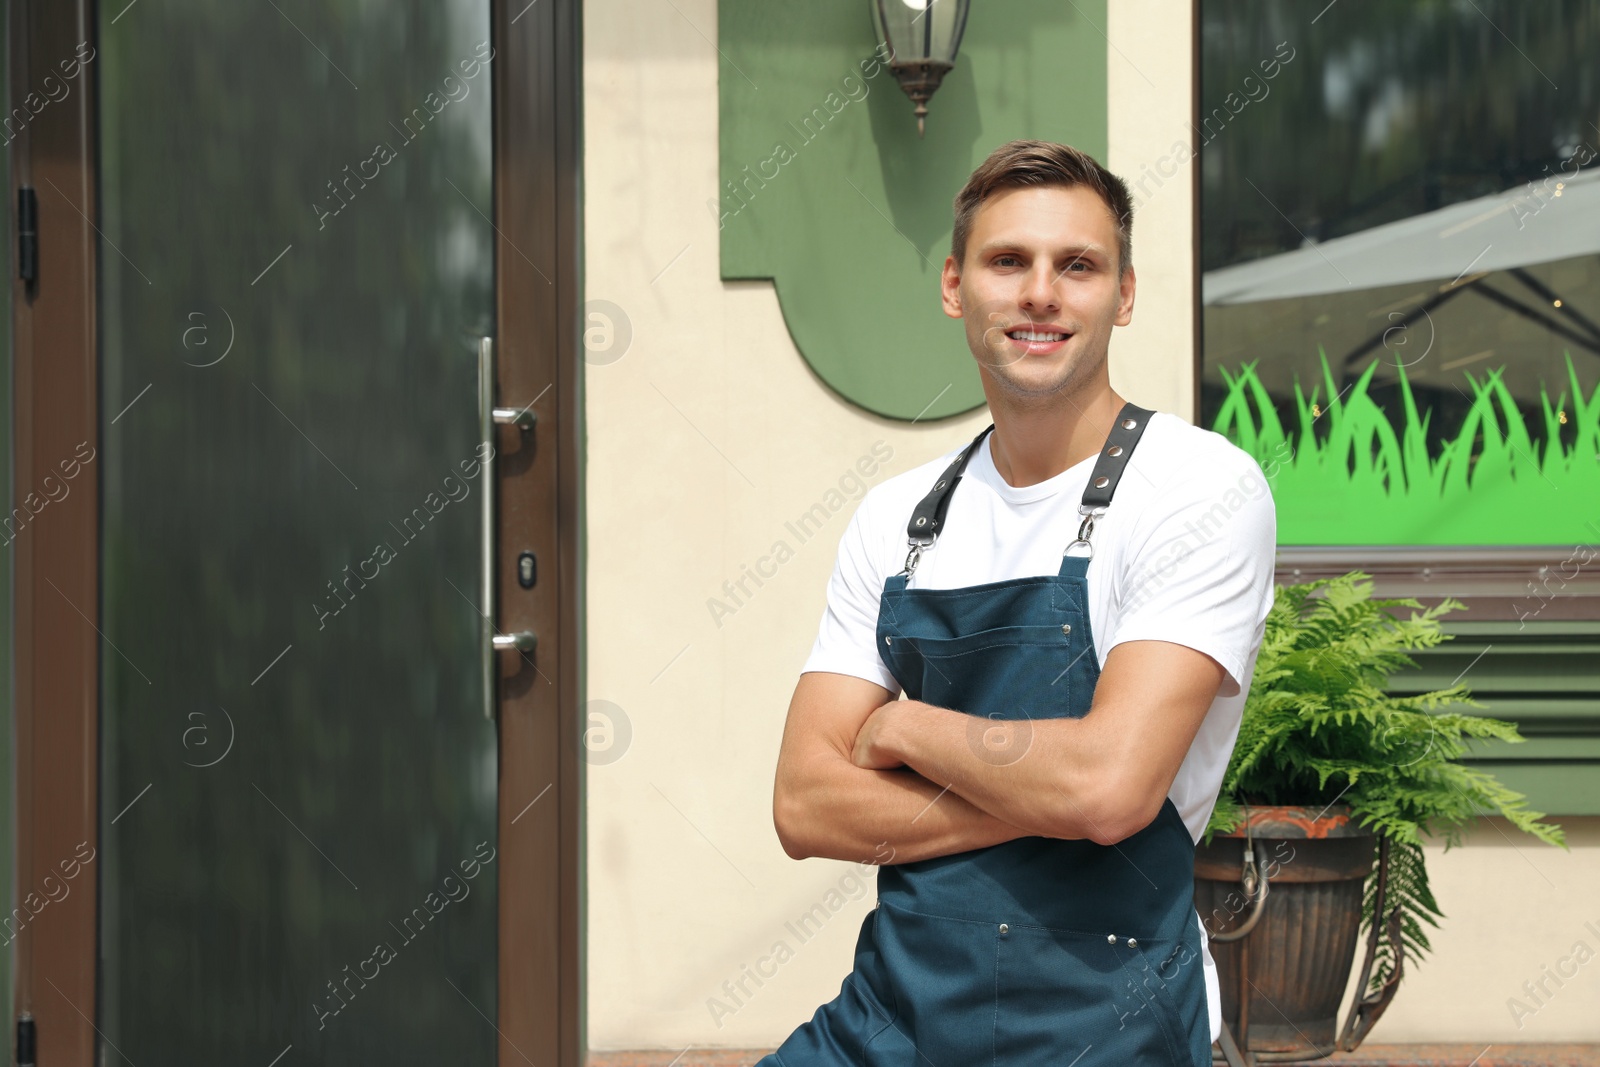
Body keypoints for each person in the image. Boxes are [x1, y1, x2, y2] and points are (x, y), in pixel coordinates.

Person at [762, 139, 1278, 1065]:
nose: (1041, 293)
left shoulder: (1201, 489)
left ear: (1123, 294)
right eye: (1010, 261)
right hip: (895, 1019)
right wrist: (1065, 797)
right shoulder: (902, 519)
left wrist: (906, 729)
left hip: (1106, 1023)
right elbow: (805, 803)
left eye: (1077, 265)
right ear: (956, 285)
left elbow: (1111, 786)